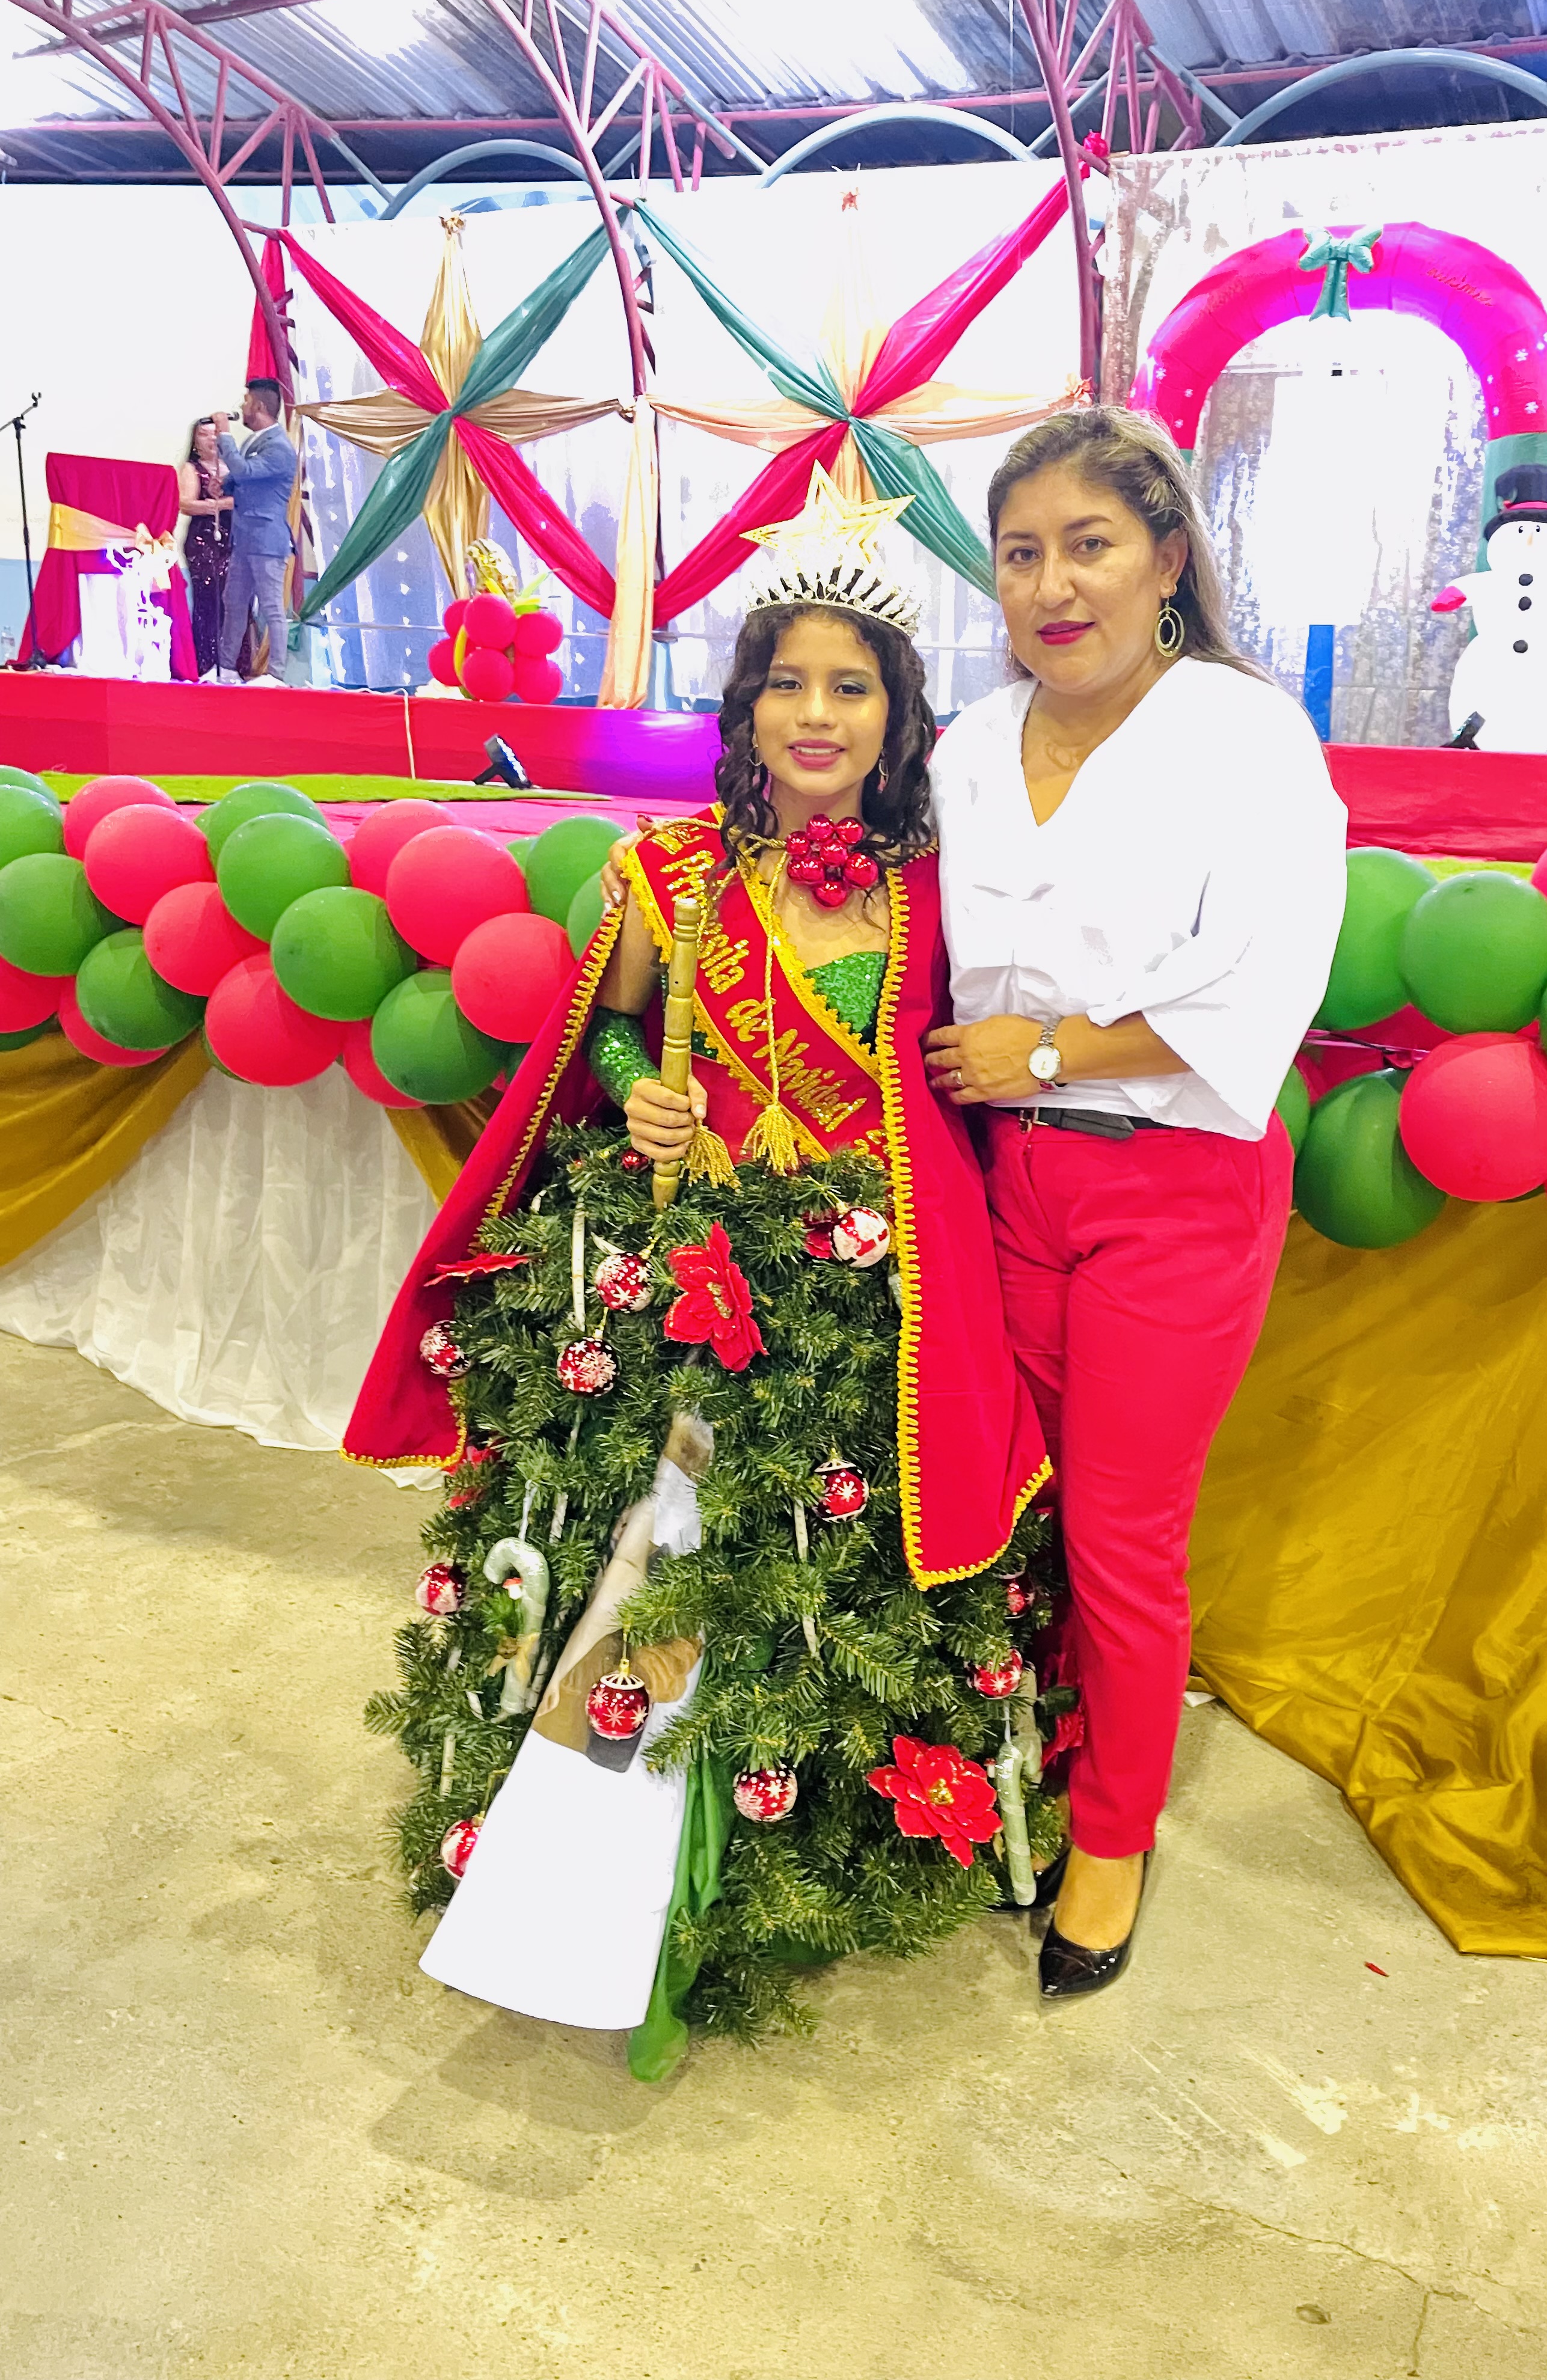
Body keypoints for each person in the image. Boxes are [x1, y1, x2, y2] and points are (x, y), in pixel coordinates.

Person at [343, 470, 1053, 2076]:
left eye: (851, 688)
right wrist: (639, 1087)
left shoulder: (941, 888)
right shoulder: (669, 876)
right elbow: (603, 1042)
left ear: (899, 714)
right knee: (650, 1564)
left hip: (878, 1295)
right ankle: (593, 1864)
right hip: (696, 1277)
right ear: (746, 707)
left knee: (825, 1591)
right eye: (787, 683)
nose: (817, 715)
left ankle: (805, 1847)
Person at [920, 405, 1347, 1998]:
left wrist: (1044, 1048)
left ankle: (1114, 1833)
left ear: (1167, 557)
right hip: (1004, 1177)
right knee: (1017, 1493)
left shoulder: (1242, 736)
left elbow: (1260, 979)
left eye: (1088, 545)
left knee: (1120, 1532)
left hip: (1172, 1185)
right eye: (1021, 553)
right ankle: (1028, 1747)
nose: (1053, 586)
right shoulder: (972, 745)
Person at [212, 378, 296, 684]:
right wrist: (224, 485)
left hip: (267, 541)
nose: (242, 407)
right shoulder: (255, 441)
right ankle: (227, 669)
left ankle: (276, 674)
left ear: (259, 406)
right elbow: (246, 479)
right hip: (245, 539)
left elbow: (246, 470)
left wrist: (224, 434)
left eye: (246, 401)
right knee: (234, 602)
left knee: (272, 608)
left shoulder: (280, 448)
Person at [177, 417, 240, 681]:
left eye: (216, 434)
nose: (211, 439)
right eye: (204, 434)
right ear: (195, 441)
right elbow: (185, 504)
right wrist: (221, 505)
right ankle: (206, 662)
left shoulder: (235, 467)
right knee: (209, 599)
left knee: (235, 602)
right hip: (204, 540)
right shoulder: (192, 469)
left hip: (234, 540)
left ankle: (235, 663)